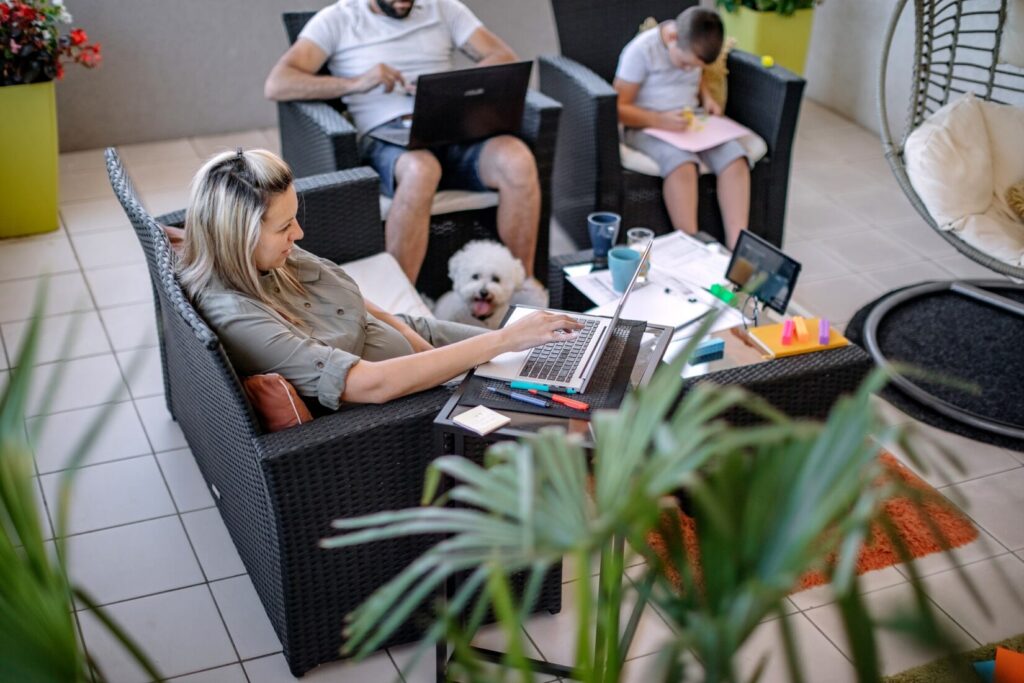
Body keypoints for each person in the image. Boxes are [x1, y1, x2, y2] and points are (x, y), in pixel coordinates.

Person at [176, 149, 581, 409]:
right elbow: (368, 385)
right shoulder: (239, 315)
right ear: (239, 236)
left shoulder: (261, 256)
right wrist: (495, 343)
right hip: (403, 398)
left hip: (413, 338)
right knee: (531, 367)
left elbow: (359, 305)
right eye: (285, 228)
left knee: (559, 352)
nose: (298, 235)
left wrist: (428, 349)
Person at [264, 0, 542, 290]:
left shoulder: (443, 8)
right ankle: (400, 300)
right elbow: (278, 83)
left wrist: (451, 84)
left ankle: (523, 288)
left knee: (517, 159)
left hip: (453, 130)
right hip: (388, 136)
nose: (403, 4)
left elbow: (504, 56)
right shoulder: (338, 19)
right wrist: (356, 83)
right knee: (422, 169)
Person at [613, 7, 751, 250]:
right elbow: (618, 107)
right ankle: (690, 244)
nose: (688, 70)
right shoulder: (642, 51)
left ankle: (738, 247)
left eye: (695, 67)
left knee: (735, 158)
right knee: (682, 164)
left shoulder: (693, 50)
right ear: (673, 38)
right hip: (646, 126)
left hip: (690, 123)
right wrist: (659, 120)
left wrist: (706, 97)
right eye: (686, 64)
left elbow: (698, 77)